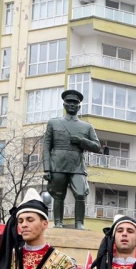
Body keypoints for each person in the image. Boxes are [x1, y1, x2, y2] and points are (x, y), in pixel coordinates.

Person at [43, 89, 102, 229]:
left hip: (77, 165)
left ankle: (79, 223)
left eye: (75, 102)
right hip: (57, 164)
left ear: (79, 106)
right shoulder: (53, 123)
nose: (72, 105)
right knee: (58, 195)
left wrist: (81, 141)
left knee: (81, 193)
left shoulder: (87, 126)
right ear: (64, 104)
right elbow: (46, 147)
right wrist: (47, 168)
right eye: (69, 102)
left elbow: (97, 146)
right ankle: (58, 222)